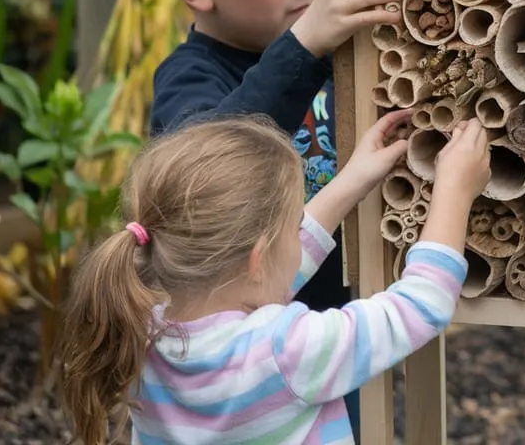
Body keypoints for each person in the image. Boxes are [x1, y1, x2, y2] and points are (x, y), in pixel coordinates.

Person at [58, 111, 491, 445]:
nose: (299, 234)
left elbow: (257, 274)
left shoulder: (136, 330)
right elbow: (420, 306)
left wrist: (354, 179)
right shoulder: (287, 352)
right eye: (293, 224)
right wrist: (454, 190)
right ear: (257, 259)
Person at [150, 0, 406, 436]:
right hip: (249, 370)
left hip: (336, 330)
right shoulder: (189, 77)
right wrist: (305, 43)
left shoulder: (339, 49)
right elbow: (206, 165)